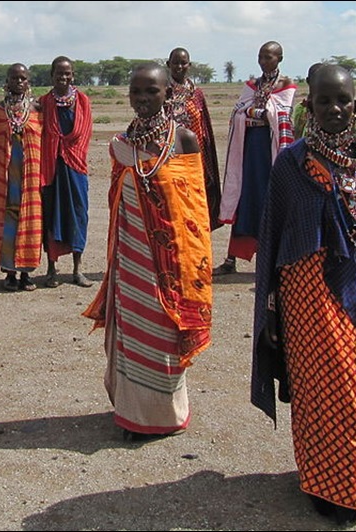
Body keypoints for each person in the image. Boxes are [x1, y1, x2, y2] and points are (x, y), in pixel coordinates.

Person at [250, 65, 356, 527]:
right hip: (305, 298)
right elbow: (273, 241)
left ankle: (354, 486)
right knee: (314, 393)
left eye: (342, 100)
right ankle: (319, 482)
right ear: (309, 105)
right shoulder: (291, 163)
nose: (333, 109)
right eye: (323, 101)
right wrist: (270, 310)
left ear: (355, 103)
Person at [83, 62, 212, 441]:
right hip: (130, 258)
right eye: (136, 92)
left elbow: (194, 211)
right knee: (133, 332)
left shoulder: (184, 140)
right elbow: (117, 201)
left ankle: (165, 415)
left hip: (168, 265)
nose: (142, 99)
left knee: (162, 336)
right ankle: (131, 412)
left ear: (167, 94)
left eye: (151, 91)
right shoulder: (121, 144)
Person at [215, 41, 296, 275]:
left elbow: (281, 115)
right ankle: (231, 260)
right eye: (260, 56)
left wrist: (253, 113)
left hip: (271, 152)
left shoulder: (286, 85)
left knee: (270, 199)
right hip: (249, 149)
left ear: (279, 58)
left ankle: (272, 260)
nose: (263, 61)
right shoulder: (252, 85)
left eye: (268, 57)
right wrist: (256, 114)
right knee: (242, 196)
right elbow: (238, 112)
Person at [39, 56, 93, 288]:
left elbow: (85, 133)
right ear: (52, 76)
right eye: (59, 74)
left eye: (67, 74)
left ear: (73, 75)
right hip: (51, 168)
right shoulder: (43, 102)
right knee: (51, 216)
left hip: (75, 167)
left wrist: (68, 151)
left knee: (78, 216)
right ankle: (51, 269)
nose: (63, 78)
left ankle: (77, 269)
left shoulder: (82, 101)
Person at [0, 63, 44, 291]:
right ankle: (9, 273)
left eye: (23, 78)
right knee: (7, 221)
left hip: (30, 174)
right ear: (7, 81)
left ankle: (26, 273)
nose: (18, 82)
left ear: (28, 82)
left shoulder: (37, 109)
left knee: (29, 219)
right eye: (14, 78)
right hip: (6, 172)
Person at [166, 47, 222, 230]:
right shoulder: (162, 92)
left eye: (183, 62)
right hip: (170, 158)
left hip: (196, 159)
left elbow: (204, 126)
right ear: (168, 65)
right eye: (175, 62)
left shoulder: (196, 94)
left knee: (197, 200)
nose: (179, 66)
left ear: (189, 65)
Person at [291, 62, 325, 141]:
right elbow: (297, 134)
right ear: (308, 81)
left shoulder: (330, 107)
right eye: (316, 79)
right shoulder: (300, 108)